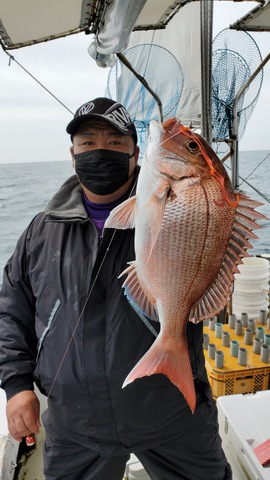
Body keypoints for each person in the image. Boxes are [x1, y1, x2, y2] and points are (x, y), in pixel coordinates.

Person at [0, 97, 232, 480]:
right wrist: (16, 385)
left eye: (114, 142)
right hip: (75, 425)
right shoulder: (40, 232)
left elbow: (209, 260)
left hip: (172, 411)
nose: (100, 151)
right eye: (88, 143)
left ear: (136, 153)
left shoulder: (174, 201)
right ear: (72, 155)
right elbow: (12, 308)